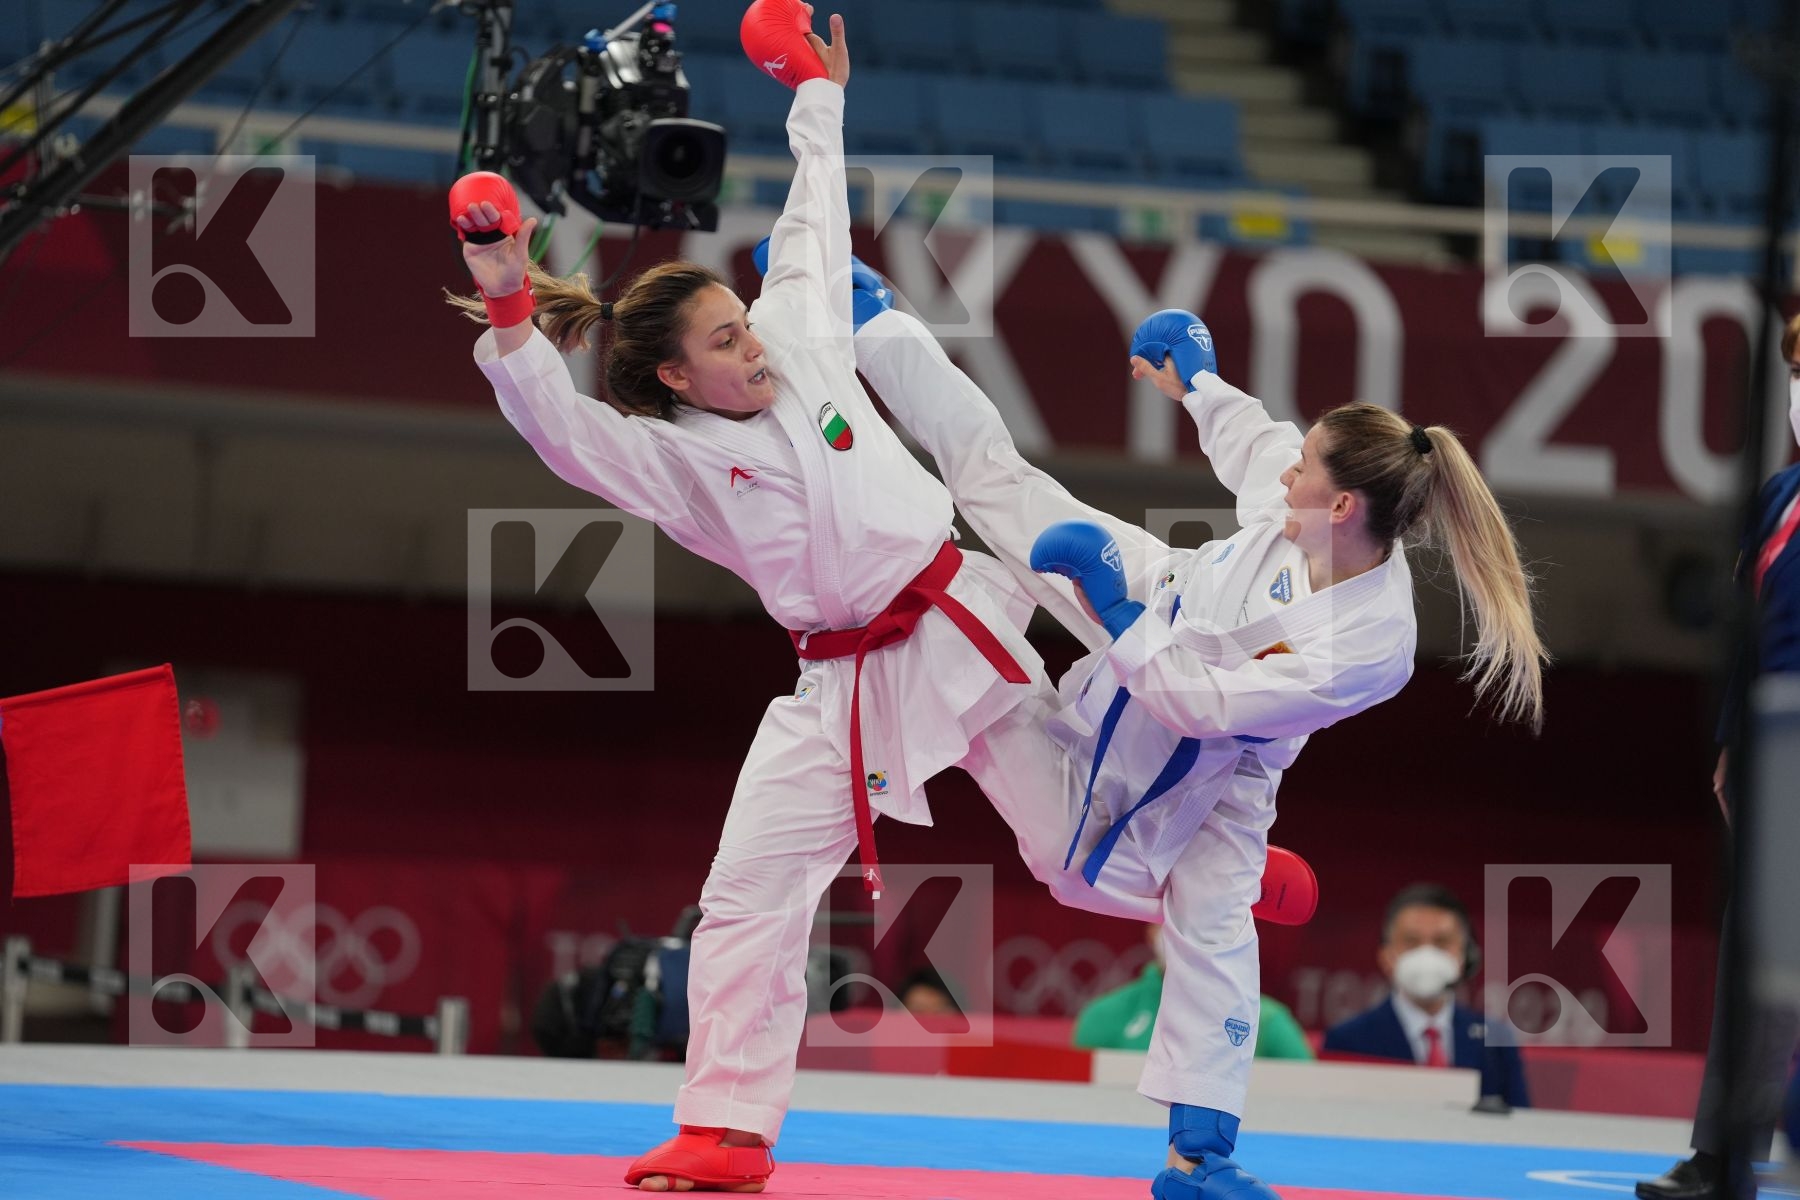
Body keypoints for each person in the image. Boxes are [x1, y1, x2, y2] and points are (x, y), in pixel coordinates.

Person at [448, 6, 1065, 1190]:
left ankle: (1227, 869)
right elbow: (563, 432)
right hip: (834, 681)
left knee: (1071, 857)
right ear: (677, 377)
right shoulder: (675, 461)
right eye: (726, 345)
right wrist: (510, 299)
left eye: (745, 326)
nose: (755, 348)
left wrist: (813, 92)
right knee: (745, 895)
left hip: (954, 626)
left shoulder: (800, 329)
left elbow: (809, 214)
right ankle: (728, 1127)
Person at [847, 300, 1546, 1199]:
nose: (1291, 464)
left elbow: (1200, 707)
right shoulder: (1315, 507)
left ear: (1341, 505)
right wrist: (1199, 381)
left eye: (1309, 464)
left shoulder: (1370, 645)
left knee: (1210, 923)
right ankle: (875, 323)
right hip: (1171, 592)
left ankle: (1197, 1160)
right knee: (999, 481)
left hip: (1221, 752)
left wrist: (1113, 613)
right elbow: (1261, 443)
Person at [1637, 312, 1800, 1200]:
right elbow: (1753, 634)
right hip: (1781, 748)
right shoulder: (1779, 496)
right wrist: (1735, 742)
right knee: (1757, 960)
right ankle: (1720, 1157)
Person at [1322, 883, 1529, 1107]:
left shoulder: (1494, 1042)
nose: (1426, 954)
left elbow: (1521, 1126)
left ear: (1465, 955)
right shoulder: (1347, 1040)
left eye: (1442, 942)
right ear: (1386, 956)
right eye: (1411, 942)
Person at [1074, 925, 1312, 1060]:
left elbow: (1313, 1105)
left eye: (1195, 920)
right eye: (1171, 916)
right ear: (1151, 931)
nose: (1182, 932)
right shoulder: (1101, 1017)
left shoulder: (1267, 1021)